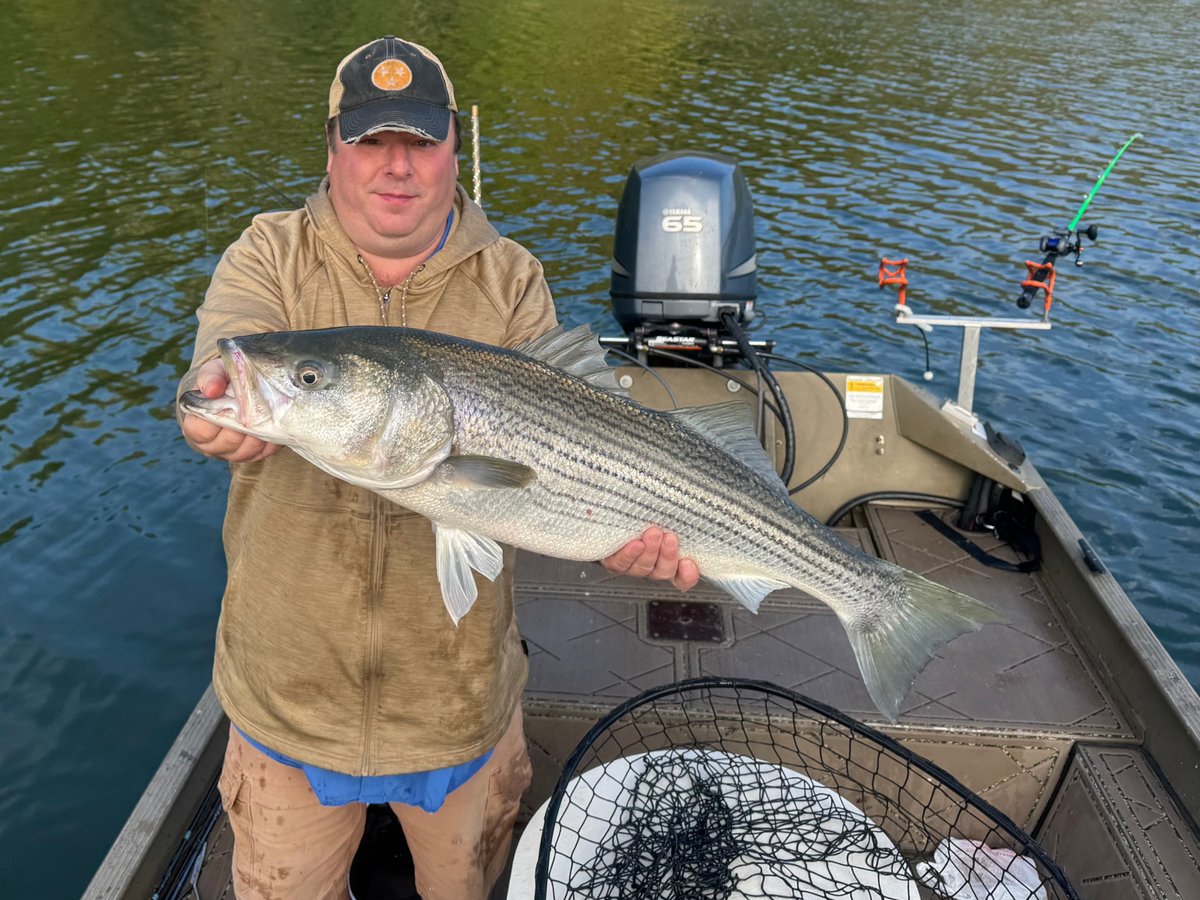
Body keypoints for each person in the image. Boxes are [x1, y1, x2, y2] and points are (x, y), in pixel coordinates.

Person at [178, 35, 698, 900]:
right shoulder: (269, 253)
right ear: (331, 148)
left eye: (420, 141)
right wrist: (207, 404)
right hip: (288, 698)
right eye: (370, 140)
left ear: (456, 146)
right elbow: (221, 359)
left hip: (457, 702)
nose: (397, 166)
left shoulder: (512, 279)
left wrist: (619, 525)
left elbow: (579, 449)